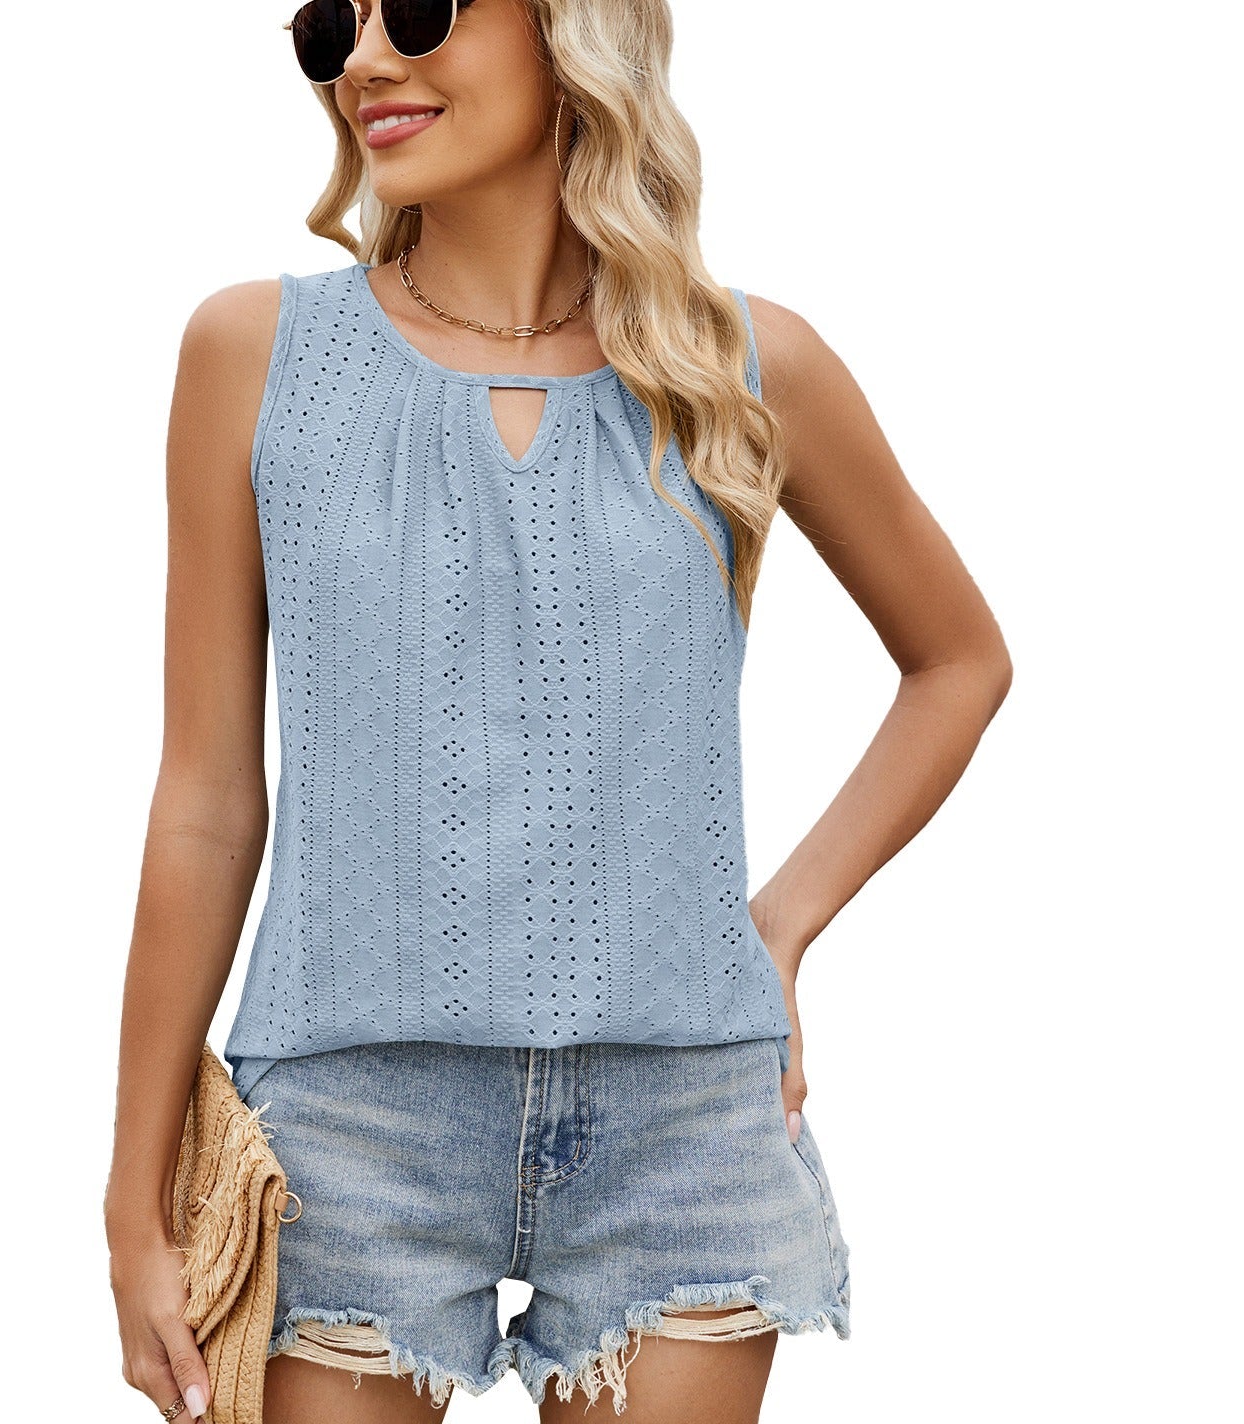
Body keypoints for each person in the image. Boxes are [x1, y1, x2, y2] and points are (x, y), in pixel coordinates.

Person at [104, 1, 1013, 1420]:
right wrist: (133, 1196)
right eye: (330, 25)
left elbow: (958, 660)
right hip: (348, 1122)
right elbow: (209, 803)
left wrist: (777, 927)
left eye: (418, 9)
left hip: (685, 1122)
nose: (364, 60)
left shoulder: (743, 366)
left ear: (570, 27)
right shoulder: (256, 355)